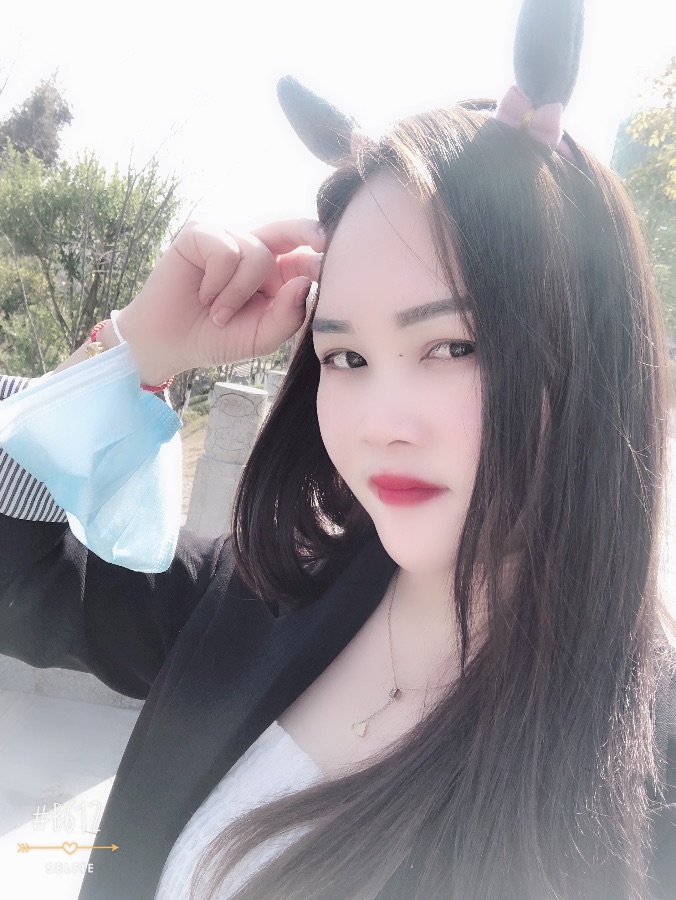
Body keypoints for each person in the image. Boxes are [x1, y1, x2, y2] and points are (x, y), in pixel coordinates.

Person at [1, 0, 675, 897]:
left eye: (452, 346)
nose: (377, 420)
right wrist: (132, 351)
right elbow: (21, 575)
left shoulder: (649, 771)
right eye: (346, 357)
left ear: (592, 354)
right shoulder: (266, 594)